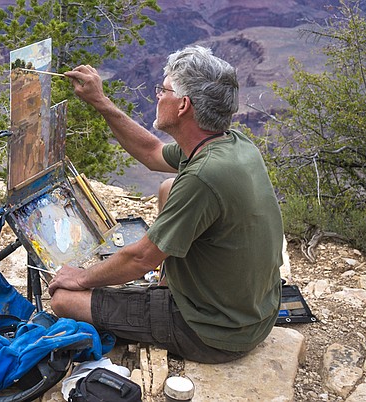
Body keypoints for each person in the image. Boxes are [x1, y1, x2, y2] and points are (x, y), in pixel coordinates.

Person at [49, 45, 284, 363]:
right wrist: (100, 103)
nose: (158, 95)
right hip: (252, 314)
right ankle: (167, 285)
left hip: (212, 333)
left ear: (184, 105)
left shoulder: (204, 175)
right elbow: (152, 153)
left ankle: (162, 302)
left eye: (164, 90)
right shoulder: (233, 145)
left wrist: (80, 277)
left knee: (64, 299)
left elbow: (140, 259)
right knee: (167, 187)